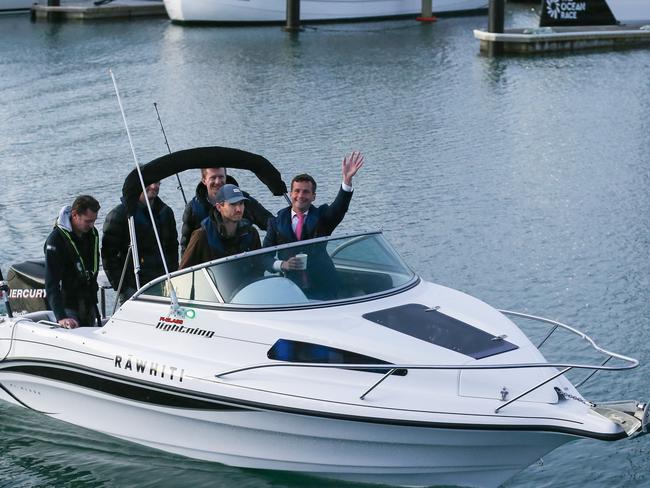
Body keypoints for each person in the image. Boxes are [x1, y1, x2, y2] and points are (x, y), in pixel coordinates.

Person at [263, 151, 364, 298]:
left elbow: (339, 208)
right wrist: (282, 264)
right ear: (291, 194)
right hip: (291, 289)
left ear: (313, 196)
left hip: (325, 287)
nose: (301, 196)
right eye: (297, 191)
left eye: (306, 192)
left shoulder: (322, 217)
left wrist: (347, 181)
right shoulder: (276, 222)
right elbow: (264, 257)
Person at [101, 181, 178, 303]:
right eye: (148, 182)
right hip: (134, 287)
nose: (154, 186)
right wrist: (123, 288)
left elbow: (172, 247)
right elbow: (108, 255)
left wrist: (174, 274)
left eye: (157, 182)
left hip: (164, 283)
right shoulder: (119, 215)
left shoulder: (166, 212)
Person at [180, 167, 272, 254]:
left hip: (244, 263)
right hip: (211, 265)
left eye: (221, 177)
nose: (218, 181)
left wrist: (270, 256)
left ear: (226, 177)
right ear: (204, 180)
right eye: (213, 178)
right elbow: (186, 247)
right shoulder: (193, 209)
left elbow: (270, 224)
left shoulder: (245, 201)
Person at [44, 195, 101, 329]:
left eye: (94, 221)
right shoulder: (55, 240)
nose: (91, 225)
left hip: (89, 301)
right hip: (68, 305)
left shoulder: (91, 234)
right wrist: (61, 317)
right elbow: (51, 282)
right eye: (88, 221)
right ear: (75, 215)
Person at [180, 184, 262, 269]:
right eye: (233, 204)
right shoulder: (201, 235)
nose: (239, 209)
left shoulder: (251, 233)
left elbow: (260, 267)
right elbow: (182, 273)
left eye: (241, 203)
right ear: (219, 207)